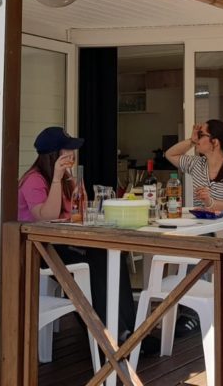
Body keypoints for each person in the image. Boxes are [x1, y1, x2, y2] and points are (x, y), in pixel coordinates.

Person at [18, 127, 135, 338]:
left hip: (64, 242)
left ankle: (128, 329)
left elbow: (79, 210)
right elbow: (47, 216)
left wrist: (69, 179)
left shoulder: (65, 179)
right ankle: (106, 335)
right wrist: (56, 178)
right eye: (67, 149)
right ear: (53, 154)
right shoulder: (34, 180)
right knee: (92, 267)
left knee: (112, 256)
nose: (72, 154)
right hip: (41, 249)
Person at [164, 119, 223, 215]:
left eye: (201, 135)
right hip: (201, 227)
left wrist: (210, 202)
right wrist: (192, 141)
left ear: (215, 142)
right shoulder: (196, 164)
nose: (197, 138)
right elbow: (170, 154)